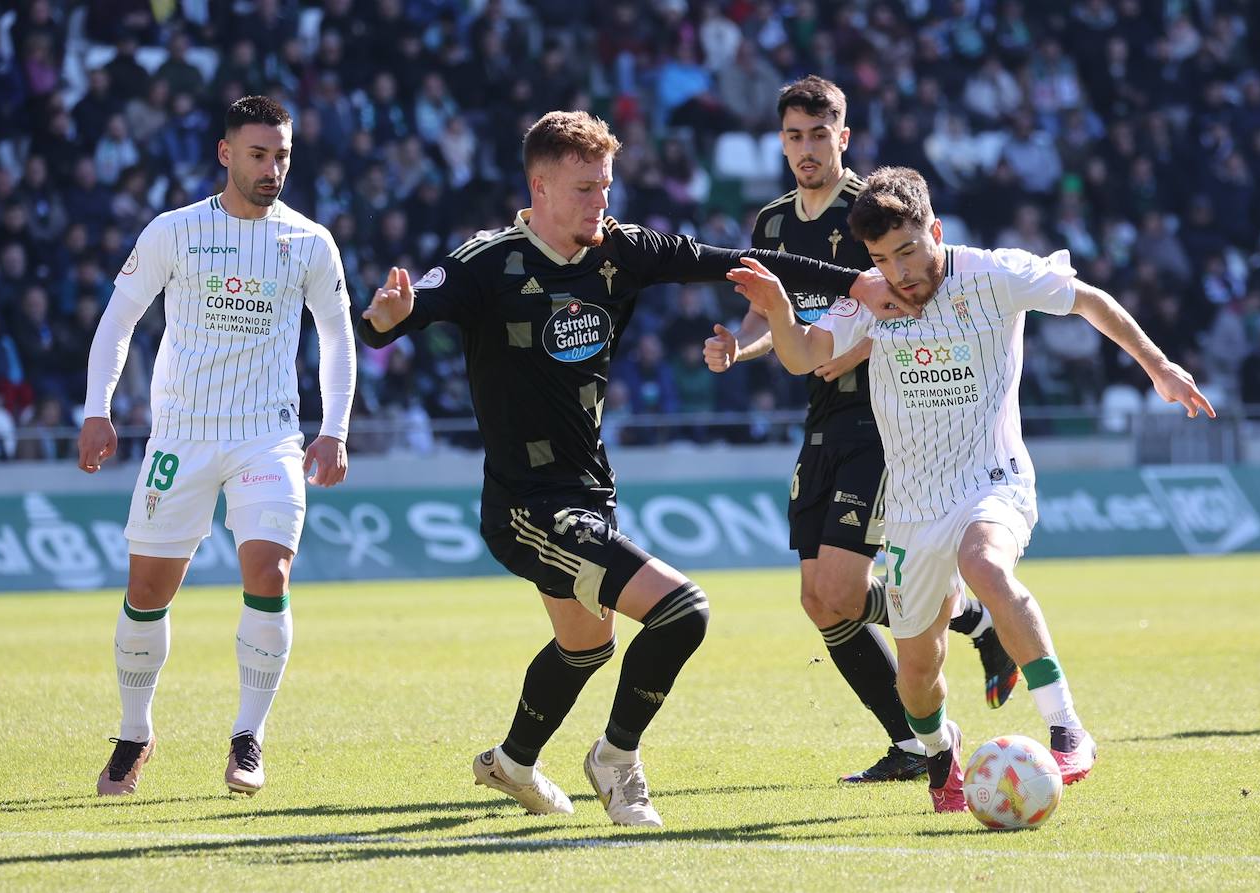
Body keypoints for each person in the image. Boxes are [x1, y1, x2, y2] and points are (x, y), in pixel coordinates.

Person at [358, 110, 889, 827]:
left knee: (587, 643)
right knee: (682, 610)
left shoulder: (623, 251)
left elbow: (734, 261)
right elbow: (402, 311)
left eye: (605, 186)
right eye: (584, 190)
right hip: (527, 504)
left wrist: (858, 281)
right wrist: (385, 319)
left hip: (591, 492)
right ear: (539, 188)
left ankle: (511, 762)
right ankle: (617, 759)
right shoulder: (484, 263)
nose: (599, 203)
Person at [728, 165, 1213, 812]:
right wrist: (780, 313)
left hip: (993, 479)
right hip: (910, 506)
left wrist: (1159, 366)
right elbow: (805, 356)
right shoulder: (873, 294)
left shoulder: (994, 273)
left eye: (907, 250)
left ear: (935, 230)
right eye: (880, 258)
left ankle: (1067, 728)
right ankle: (939, 753)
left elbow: (1090, 299)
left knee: (982, 561)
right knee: (918, 672)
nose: (898, 271)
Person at [703, 77, 1017, 784]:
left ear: (843, 137)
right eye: (794, 136)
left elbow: (911, 300)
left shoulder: (872, 213)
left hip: (885, 415)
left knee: (843, 587)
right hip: (822, 415)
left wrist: (845, 347)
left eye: (820, 134)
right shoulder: (773, 224)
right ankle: (919, 726)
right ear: (780, 142)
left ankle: (956, 649)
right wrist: (739, 347)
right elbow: (769, 314)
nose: (806, 148)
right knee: (819, 599)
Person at [78, 96, 356, 798]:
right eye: (259, 155)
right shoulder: (174, 232)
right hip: (182, 434)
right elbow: (119, 320)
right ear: (225, 153)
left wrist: (335, 428)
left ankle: (247, 734)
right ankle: (136, 731)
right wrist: (97, 409)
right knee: (147, 590)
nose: (273, 169)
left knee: (270, 573)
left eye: (283, 156)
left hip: (267, 434)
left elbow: (337, 338)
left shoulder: (310, 242)